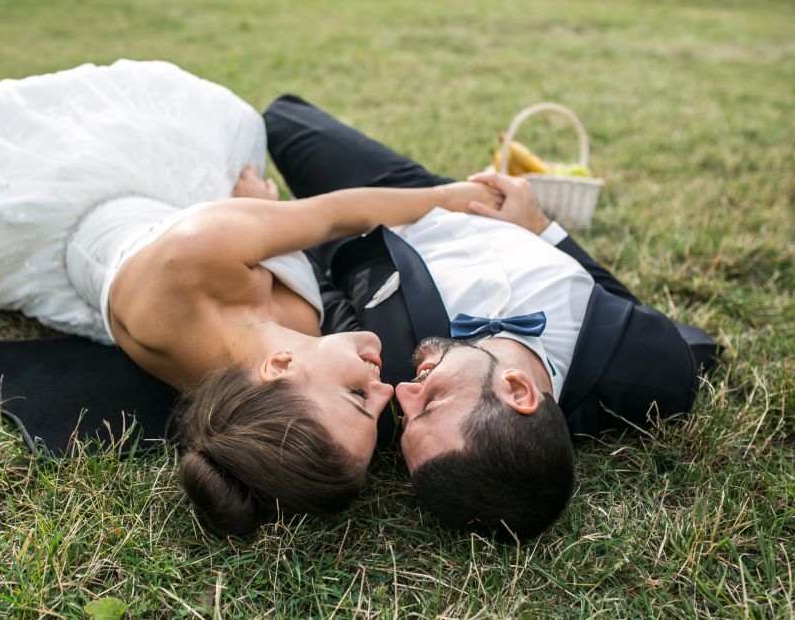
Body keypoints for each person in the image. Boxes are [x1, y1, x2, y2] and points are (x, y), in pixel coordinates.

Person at [0, 61, 502, 537]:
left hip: (103, 204)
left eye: (361, 396)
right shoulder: (270, 352)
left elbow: (335, 215)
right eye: (373, 405)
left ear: (277, 371)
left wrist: (447, 198)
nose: (387, 391)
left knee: (234, 123)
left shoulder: (194, 260)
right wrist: (263, 217)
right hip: (190, 234)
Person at [264, 94, 717, 541]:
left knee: (272, 124)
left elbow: (324, 295)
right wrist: (543, 228)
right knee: (283, 120)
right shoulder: (659, 375)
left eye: (408, 418)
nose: (402, 393)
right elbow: (617, 299)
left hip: (391, 213)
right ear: (517, 389)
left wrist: (275, 229)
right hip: (479, 204)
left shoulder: (378, 373)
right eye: (433, 402)